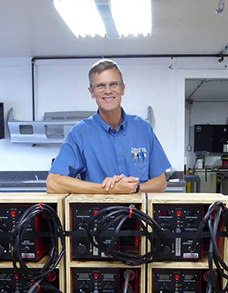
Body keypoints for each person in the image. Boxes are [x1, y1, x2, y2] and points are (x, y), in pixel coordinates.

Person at [46, 59, 170, 194]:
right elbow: (53, 183)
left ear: (123, 88)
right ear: (91, 92)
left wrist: (134, 188)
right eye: (100, 86)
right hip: (99, 213)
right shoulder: (80, 133)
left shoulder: (143, 129)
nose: (108, 91)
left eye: (113, 84)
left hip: (139, 214)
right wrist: (107, 189)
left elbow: (160, 182)